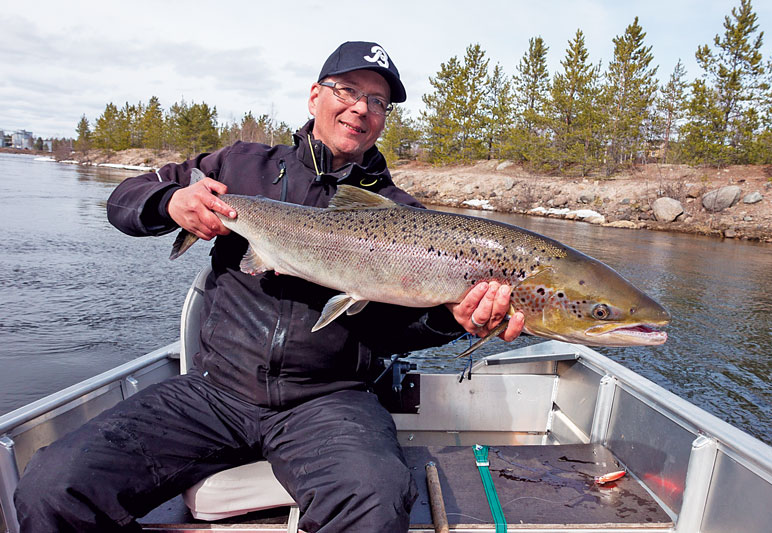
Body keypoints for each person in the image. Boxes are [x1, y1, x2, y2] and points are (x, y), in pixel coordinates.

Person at [14, 41, 524, 533]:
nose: (360, 109)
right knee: (53, 486)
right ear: (314, 96)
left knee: (376, 498)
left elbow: (398, 332)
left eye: (377, 101)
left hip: (330, 402)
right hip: (214, 392)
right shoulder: (241, 166)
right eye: (347, 90)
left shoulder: (405, 218)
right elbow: (124, 200)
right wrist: (171, 203)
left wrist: (450, 320)